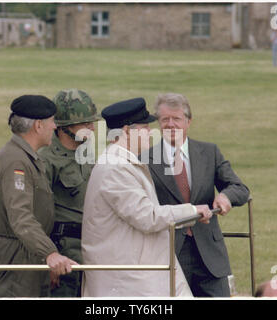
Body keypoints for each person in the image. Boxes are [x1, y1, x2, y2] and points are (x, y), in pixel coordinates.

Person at [81, 97, 214, 297]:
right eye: (144, 128)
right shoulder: (116, 168)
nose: (151, 134)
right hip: (128, 281)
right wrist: (193, 211)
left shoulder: (123, 162)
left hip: (140, 272)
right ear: (126, 131)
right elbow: (147, 217)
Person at [146, 93, 250, 297]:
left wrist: (226, 197)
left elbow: (240, 188)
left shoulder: (209, 152)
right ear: (158, 123)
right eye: (165, 119)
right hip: (168, 253)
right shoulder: (144, 160)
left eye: (176, 119)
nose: (170, 125)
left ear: (188, 121)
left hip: (211, 255)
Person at [0, 95, 77, 297]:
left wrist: (45, 257)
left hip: (28, 255)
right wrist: (49, 253)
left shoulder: (25, 156)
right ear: (39, 126)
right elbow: (21, 217)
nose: (55, 127)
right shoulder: (16, 162)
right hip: (17, 261)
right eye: (52, 121)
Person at [38, 89, 101, 297]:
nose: (91, 128)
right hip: (62, 252)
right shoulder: (47, 160)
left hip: (92, 248)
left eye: (92, 123)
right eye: (85, 124)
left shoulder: (90, 152)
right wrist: (47, 259)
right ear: (64, 126)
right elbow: (35, 215)